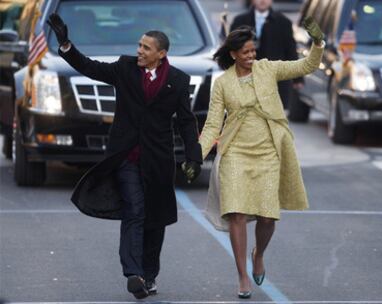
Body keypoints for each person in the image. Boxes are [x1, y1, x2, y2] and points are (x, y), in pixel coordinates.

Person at [47, 14, 201, 299]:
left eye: (146, 48)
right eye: (139, 45)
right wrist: (66, 44)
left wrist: (194, 157)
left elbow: (186, 121)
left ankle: (149, 274)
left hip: (158, 161)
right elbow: (90, 68)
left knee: (155, 220)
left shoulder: (178, 81)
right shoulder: (124, 68)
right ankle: (134, 273)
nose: (139, 51)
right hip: (126, 157)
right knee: (134, 210)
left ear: (161, 54)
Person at [199, 17, 324, 299]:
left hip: (268, 150)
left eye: (253, 51)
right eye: (246, 53)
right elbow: (212, 125)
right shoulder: (222, 84)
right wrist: (198, 153)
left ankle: (259, 254)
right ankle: (242, 274)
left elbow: (307, 66)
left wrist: (317, 43)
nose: (251, 56)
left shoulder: (268, 69)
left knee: (268, 217)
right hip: (235, 153)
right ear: (233, 54)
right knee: (237, 214)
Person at [231, 0, 303, 109]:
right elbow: (231, 50)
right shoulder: (239, 22)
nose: (263, 0)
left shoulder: (284, 22)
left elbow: (291, 51)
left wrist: (298, 78)